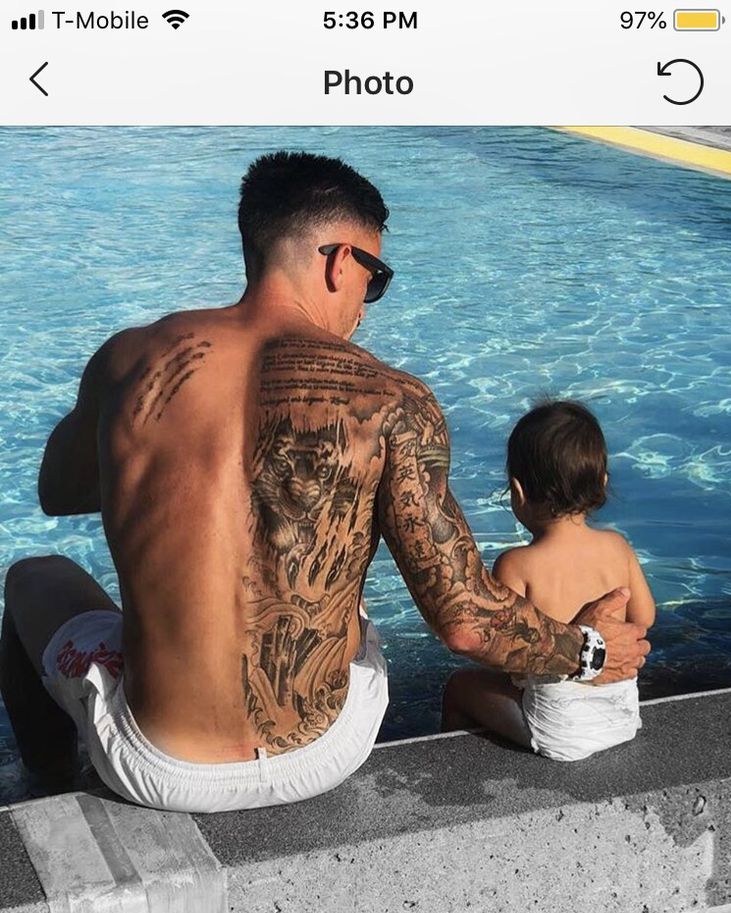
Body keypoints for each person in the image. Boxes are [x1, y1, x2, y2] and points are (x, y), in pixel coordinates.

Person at [0, 153, 649, 812]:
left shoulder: (131, 359)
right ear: (340, 261)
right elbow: (463, 621)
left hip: (152, 762)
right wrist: (590, 651)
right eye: (376, 278)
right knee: (343, 596)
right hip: (323, 751)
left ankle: (48, 789)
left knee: (33, 575)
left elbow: (60, 492)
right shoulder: (393, 398)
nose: (366, 307)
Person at [442, 400, 656, 760]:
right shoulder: (618, 548)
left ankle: (454, 776)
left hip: (559, 729)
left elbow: (501, 653)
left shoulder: (516, 565)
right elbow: (644, 620)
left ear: (518, 492)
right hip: (622, 716)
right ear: (602, 483)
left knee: (459, 688)